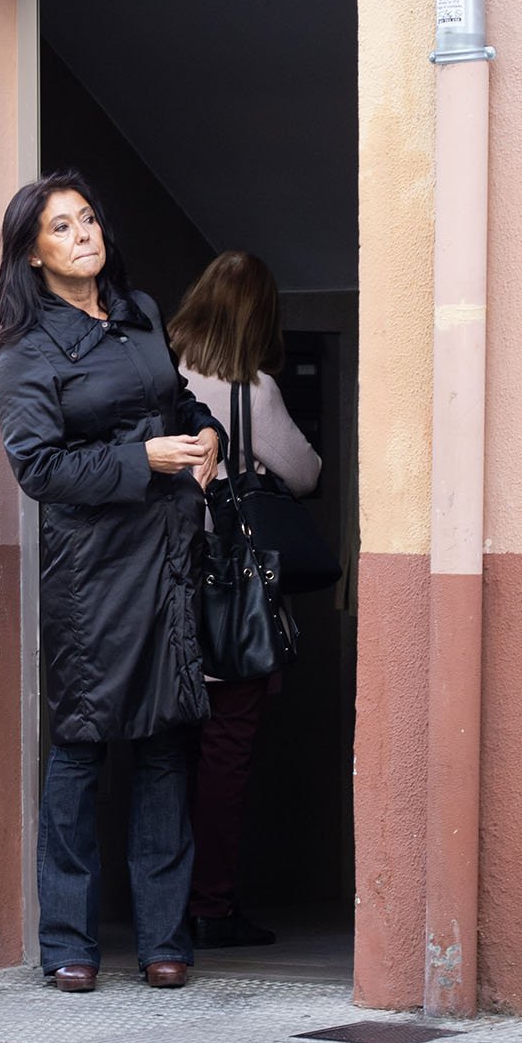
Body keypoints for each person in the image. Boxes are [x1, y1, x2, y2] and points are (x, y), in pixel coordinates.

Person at [0, 174, 220, 994]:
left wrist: (207, 437)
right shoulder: (24, 349)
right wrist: (140, 459)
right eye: (61, 226)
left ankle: (164, 942)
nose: (82, 234)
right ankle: (68, 945)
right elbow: (38, 469)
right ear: (32, 253)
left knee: (164, 744)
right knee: (82, 746)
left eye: (87, 219)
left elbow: (176, 399)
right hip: (89, 571)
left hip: (167, 555)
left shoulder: (138, 311)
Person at [169, 250, 322, 949]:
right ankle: (211, 904)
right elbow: (306, 471)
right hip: (230, 596)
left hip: (162, 583)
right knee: (225, 753)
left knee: (164, 754)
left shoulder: (160, 376)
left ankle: (162, 907)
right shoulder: (251, 391)